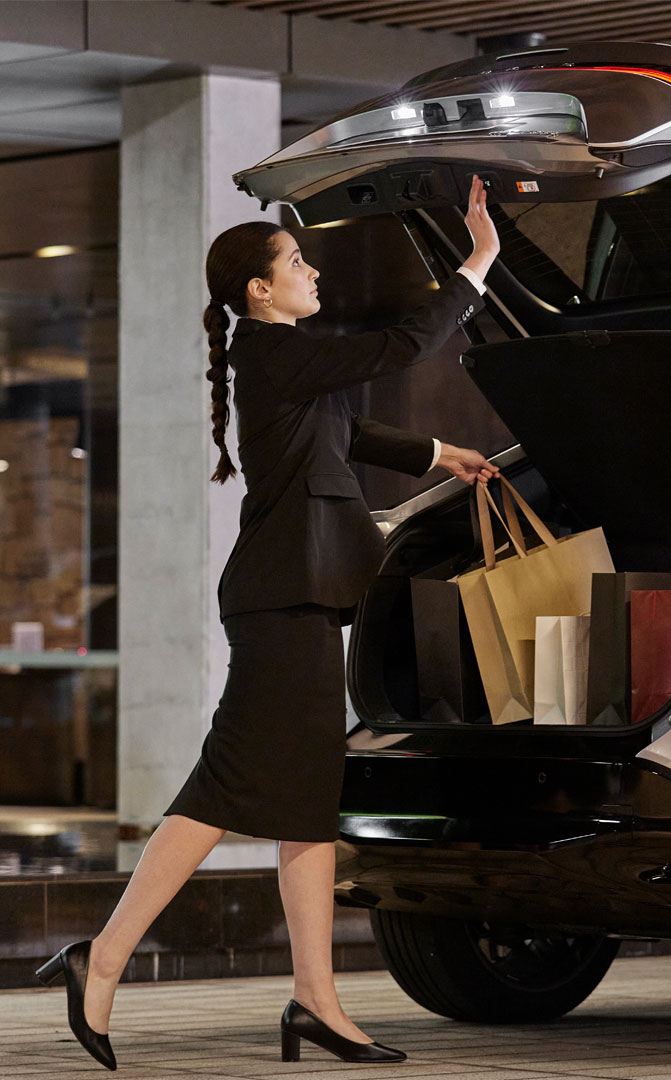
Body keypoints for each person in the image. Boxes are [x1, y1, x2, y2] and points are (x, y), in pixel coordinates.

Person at [35, 175, 501, 1071]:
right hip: (280, 599)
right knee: (226, 790)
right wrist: (476, 262)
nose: (312, 269)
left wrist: (438, 452)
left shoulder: (281, 361)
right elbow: (405, 344)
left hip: (296, 596)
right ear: (259, 288)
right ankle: (106, 956)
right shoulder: (274, 351)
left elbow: (344, 434)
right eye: (297, 261)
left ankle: (314, 1000)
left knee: (303, 803)